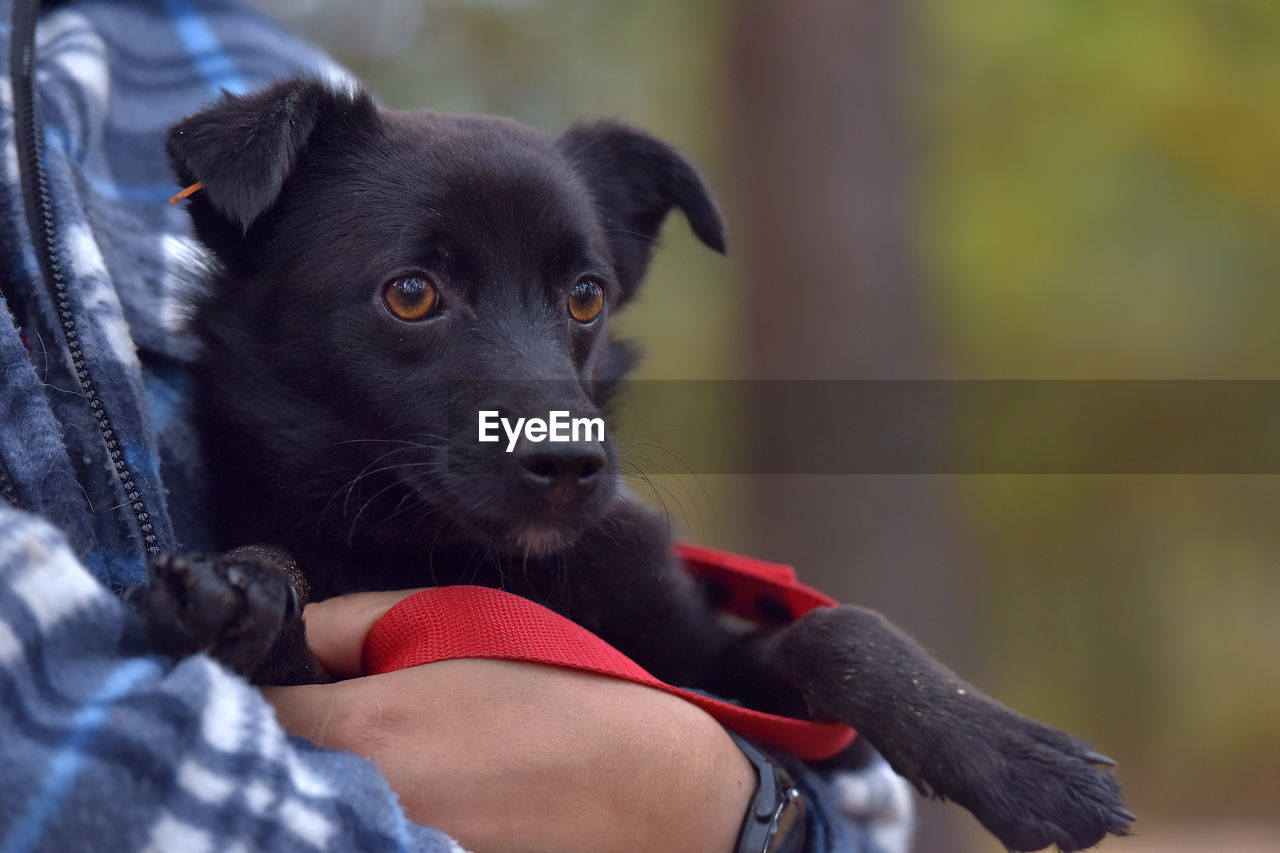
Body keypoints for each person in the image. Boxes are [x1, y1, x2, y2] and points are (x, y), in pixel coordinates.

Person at [0, 0, 912, 850]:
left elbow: (866, 817)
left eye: (581, 295)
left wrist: (717, 800)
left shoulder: (250, 58)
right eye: (415, 292)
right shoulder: (283, 156)